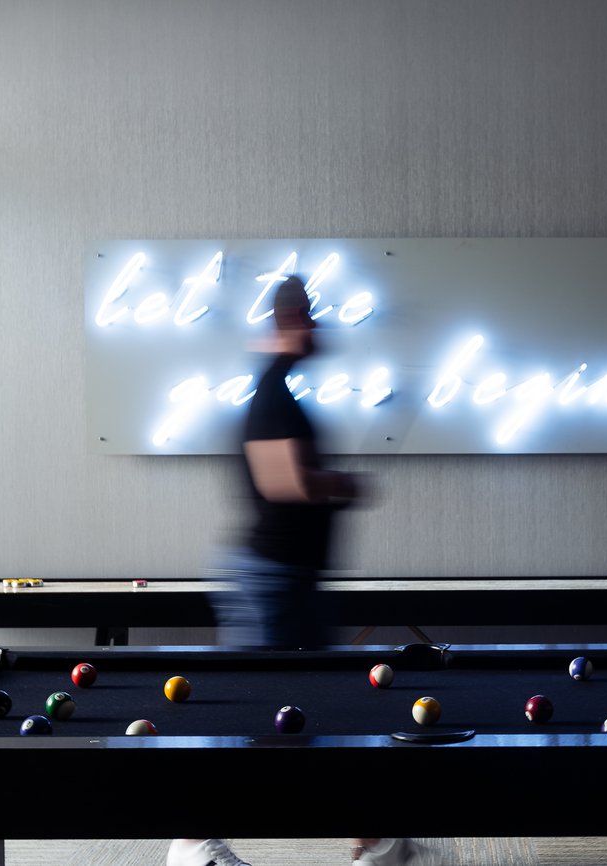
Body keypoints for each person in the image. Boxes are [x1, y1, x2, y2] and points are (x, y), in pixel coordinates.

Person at [168, 277, 441, 866]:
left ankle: (374, 841)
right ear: (289, 318)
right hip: (270, 583)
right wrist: (345, 483)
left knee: (323, 709)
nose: (318, 328)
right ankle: (192, 845)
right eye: (310, 316)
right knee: (259, 721)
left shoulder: (281, 395)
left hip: (290, 580)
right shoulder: (271, 398)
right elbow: (282, 483)